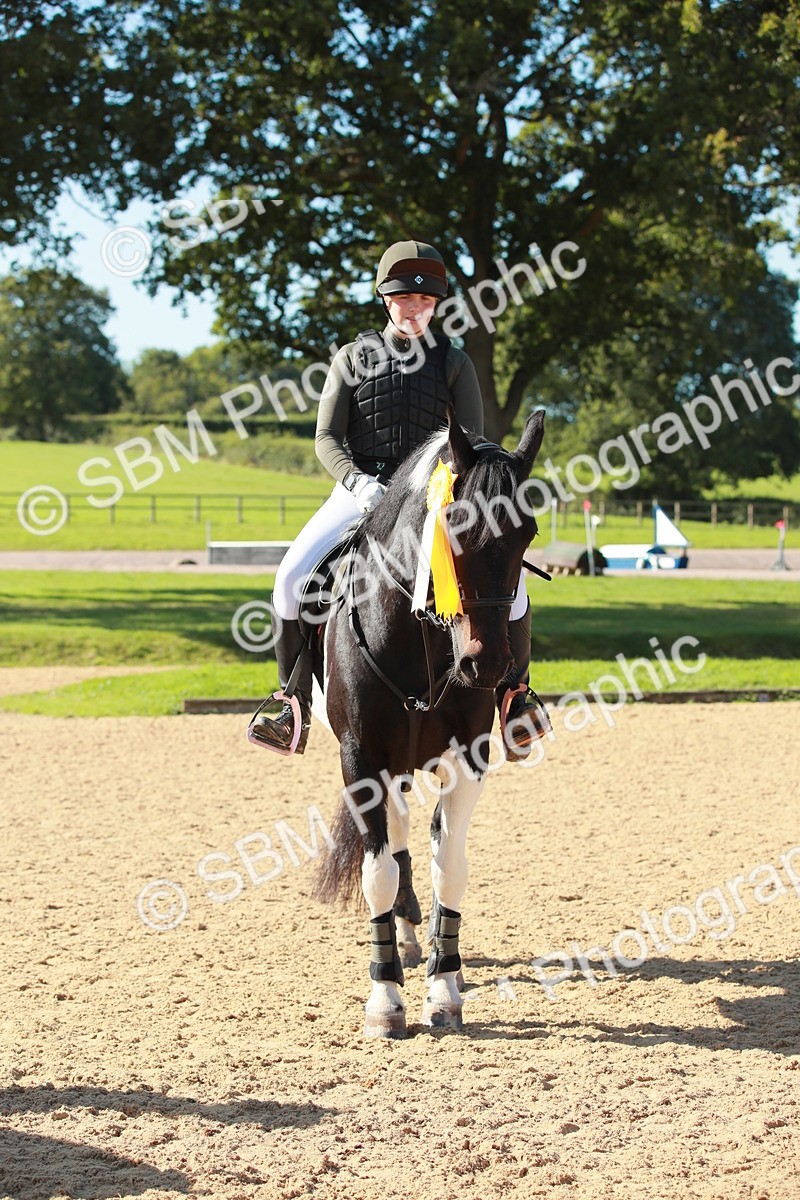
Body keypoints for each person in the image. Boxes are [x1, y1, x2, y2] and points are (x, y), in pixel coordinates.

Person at [250, 239, 551, 757]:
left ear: (436, 306)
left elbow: (471, 445)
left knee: (514, 587)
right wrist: (358, 482)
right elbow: (326, 439)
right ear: (385, 300)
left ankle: (515, 697)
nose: (415, 310)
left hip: (432, 498)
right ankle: (291, 702)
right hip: (359, 492)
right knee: (291, 578)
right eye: (405, 301)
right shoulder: (351, 359)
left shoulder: (454, 363)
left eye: (426, 302)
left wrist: (443, 492)